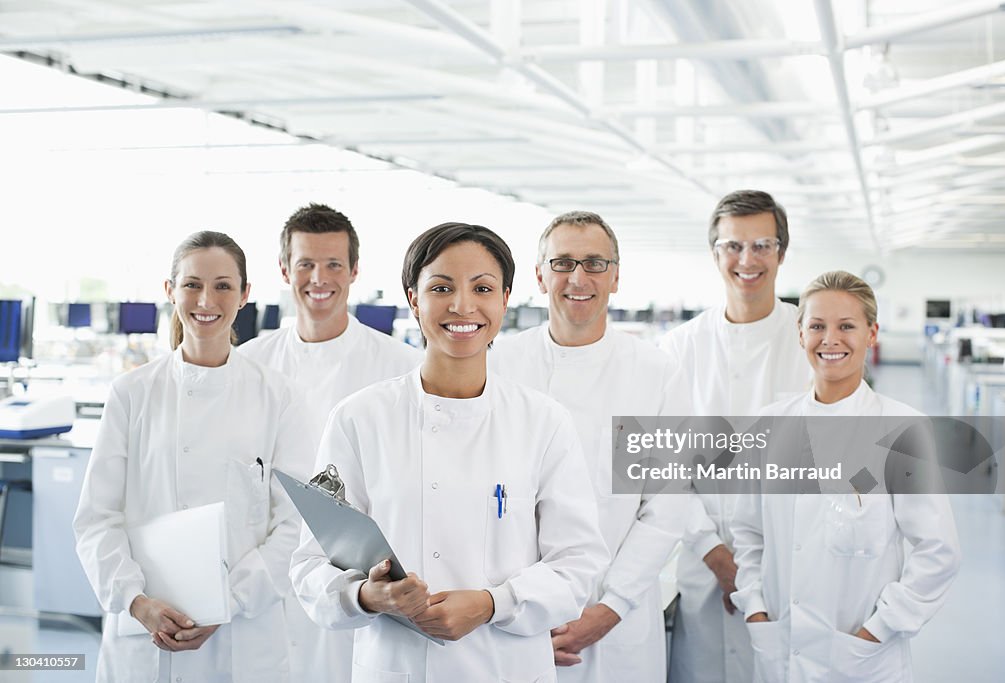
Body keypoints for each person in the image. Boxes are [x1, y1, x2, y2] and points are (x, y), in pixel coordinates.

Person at [290, 222, 608, 682]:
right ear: (413, 297)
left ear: (504, 299)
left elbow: (579, 564)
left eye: (482, 288)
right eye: (441, 287)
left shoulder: (543, 422)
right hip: (394, 666)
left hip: (506, 667)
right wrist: (368, 596)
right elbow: (311, 564)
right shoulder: (358, 418)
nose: (463, 306)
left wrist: (491, 604)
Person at [73, 231, 316, 683]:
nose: (207, 299)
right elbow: (97, 519)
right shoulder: (131, 394)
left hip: (244, 636)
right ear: (170, 291)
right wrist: (136, 601)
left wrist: (228, 600)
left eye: (224, 285)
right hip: (144, 634)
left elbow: (296, 525)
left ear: (245, 295)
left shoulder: (278, 396)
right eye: (192, 284)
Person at [730, 270, 961, 682]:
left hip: (862, 658)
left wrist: (878, 630)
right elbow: (748, 533)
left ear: (871, 334)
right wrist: (755, 607)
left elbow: (938, 551)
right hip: (779, 649)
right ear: (800, 335)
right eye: (817, 326)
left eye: (846, 326)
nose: (830, 339)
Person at [489, 210, 688, 683]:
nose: (578, 278)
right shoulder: (500, 365)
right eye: (562, 263)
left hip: (614, 620)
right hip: (512, 615)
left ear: (615, 277)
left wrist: (611, 606)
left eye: (595, 264)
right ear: (540, 275)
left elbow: (665, 506)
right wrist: (514, 601)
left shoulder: (653, 374)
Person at [238, 203, 421, 683]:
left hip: (360, 578)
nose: (319, 278)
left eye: (334, 264)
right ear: (285, 269)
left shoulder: (401, 365)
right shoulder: (249, 363)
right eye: (306, 264)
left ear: (355, 270)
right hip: (265, 574)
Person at [659, 190, 810, 683]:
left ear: (782, 253)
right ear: (715, 254)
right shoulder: (678, 349)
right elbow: (663, 469)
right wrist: (716, 555)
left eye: (762, 245)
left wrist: (759, 565)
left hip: (791, 566)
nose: (747, 260)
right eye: (733, 246)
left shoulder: (813, 341)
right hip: (703, 565)